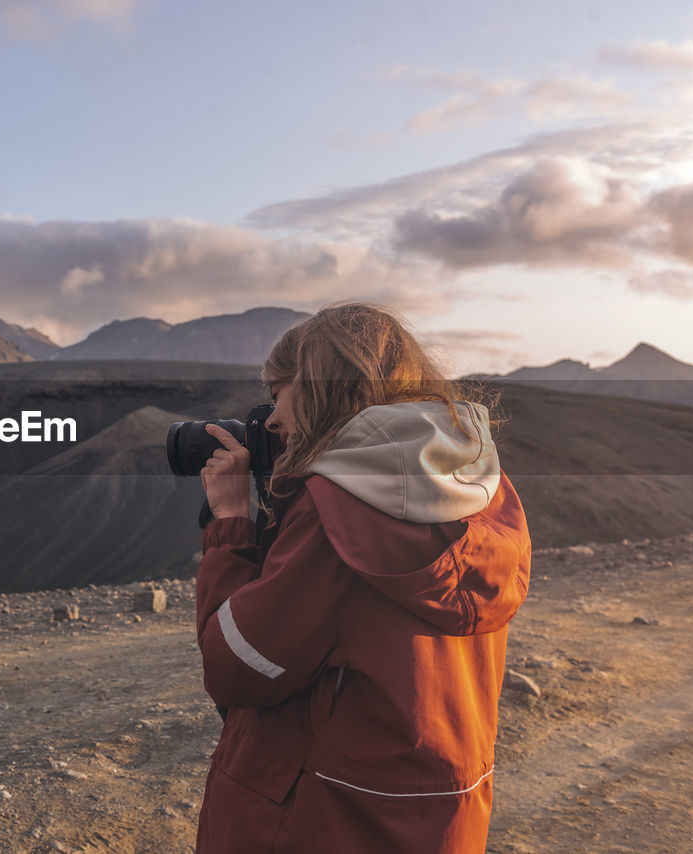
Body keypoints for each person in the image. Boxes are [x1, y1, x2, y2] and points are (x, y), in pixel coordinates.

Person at [193, 303, 530, 853]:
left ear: (323, 388)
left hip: (322, 820)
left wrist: (231, 526)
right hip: (435, 818)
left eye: (279, 392)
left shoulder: (341, 514)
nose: (271, 418)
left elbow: (237, 667)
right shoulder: (481, 490)